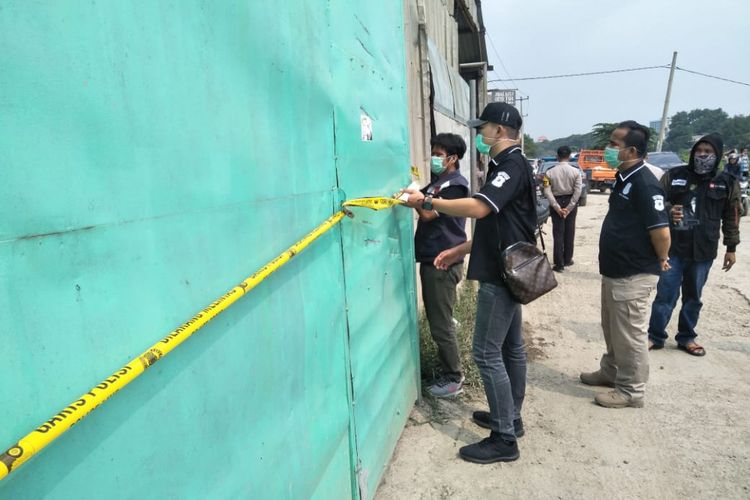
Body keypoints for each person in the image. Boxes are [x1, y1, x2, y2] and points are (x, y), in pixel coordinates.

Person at [402, 102, 535, 464]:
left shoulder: (510, 166)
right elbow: (497, 224)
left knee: (486, 352)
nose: (480, 134)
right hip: (505, 263)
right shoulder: (503, 167)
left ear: (502, 131)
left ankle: (504, 438)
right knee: (511, 348)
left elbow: (478, 208)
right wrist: (460, 247)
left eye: (485, 127)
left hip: (501, 272)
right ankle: (510, 418)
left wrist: (426, 199)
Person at [579, 121, 671, 408]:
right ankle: (611, 371)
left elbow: (661, 232)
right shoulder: (625, 177)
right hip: (615, 270)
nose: (608, 149)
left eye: (614, 145)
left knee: (630, 333)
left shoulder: (645, 183)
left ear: (631, 150)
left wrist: (662, 258)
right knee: (612, 327)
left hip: (634, 272)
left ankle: (631, 390)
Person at [648, 133, 741, 356]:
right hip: (673, 249)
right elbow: (655, 202)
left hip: (704, 250)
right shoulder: (675, 175)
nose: (702, 155)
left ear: (717, 155)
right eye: (699, 151)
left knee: (693, 297)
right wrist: (670, 210)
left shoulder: (726, 182)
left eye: (708, 152)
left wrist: (731, 247)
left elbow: (732, 217)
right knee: (665, 295)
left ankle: (687, 337)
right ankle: (655, 336)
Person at [413, 133, 470, 397]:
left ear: (452, 158)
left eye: (438, 154)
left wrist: (413, 201)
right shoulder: (439, 182)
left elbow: (427, 214)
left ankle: (453, 378)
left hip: (441, 261)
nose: (434, 158)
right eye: (433, 152)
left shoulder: (455, 186)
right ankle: (450, 370)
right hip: (432, 257)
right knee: (441, 318)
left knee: (440, 322)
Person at [543, 145, 582, 272]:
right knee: (570, 231)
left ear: (557, 156)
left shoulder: (549, 172)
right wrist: (569, 208)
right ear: (570, 156)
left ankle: (559, 264)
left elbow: (547, 192)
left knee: (558, 233)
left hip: (556, 201)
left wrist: (557, 207)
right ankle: (567, 259)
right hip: (571, 201)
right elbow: (578, 191)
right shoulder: (576, 172)